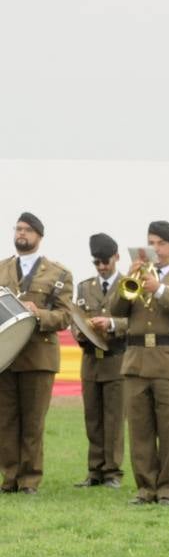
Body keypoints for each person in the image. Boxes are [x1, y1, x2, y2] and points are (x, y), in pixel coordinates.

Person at [111, 220, 169, 505]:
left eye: (162, 243)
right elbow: (115, 309)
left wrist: (160, 289)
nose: (156, 248)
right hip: (136, 361)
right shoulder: (136, 275)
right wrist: (129, 277)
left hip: (168, 362)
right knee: (140, 429)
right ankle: (145, 488)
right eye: (152, 243)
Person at [0, 211, 72, 494]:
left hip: (38, 358)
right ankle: (10, 477)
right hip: (6, 357)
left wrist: (38, 313)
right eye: (18, 229)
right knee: (5, 420)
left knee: (32, 422)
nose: (21, 234)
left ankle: (29, 479)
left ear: (39, 237)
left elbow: (65, 316)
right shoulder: (2, 268)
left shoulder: (58, 274)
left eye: (27, 230)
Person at [72, 233, 126, 488]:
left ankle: (113, 472)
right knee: (92, 418)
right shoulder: (84, 287)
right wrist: (81, 331)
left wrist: (112, 324)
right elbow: (76, 318)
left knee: (114, 420)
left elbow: (134, 321)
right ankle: (94, 471)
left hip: (116, 360)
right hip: (91, 361)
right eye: (97, 263)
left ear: (116, 256)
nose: (102, 267)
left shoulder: (128, 285)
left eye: (106, 261)